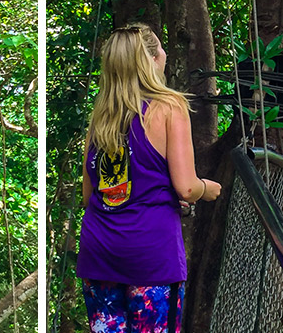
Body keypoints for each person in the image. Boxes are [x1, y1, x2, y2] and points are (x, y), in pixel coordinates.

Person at [76, 23, 222, 333]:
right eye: (160, 48)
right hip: (150, 254)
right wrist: (207, 188)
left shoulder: (101, 116)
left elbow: (91, 195)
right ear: (152, 59)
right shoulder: (169, 107)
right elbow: (186, 185)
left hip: (99, 250)